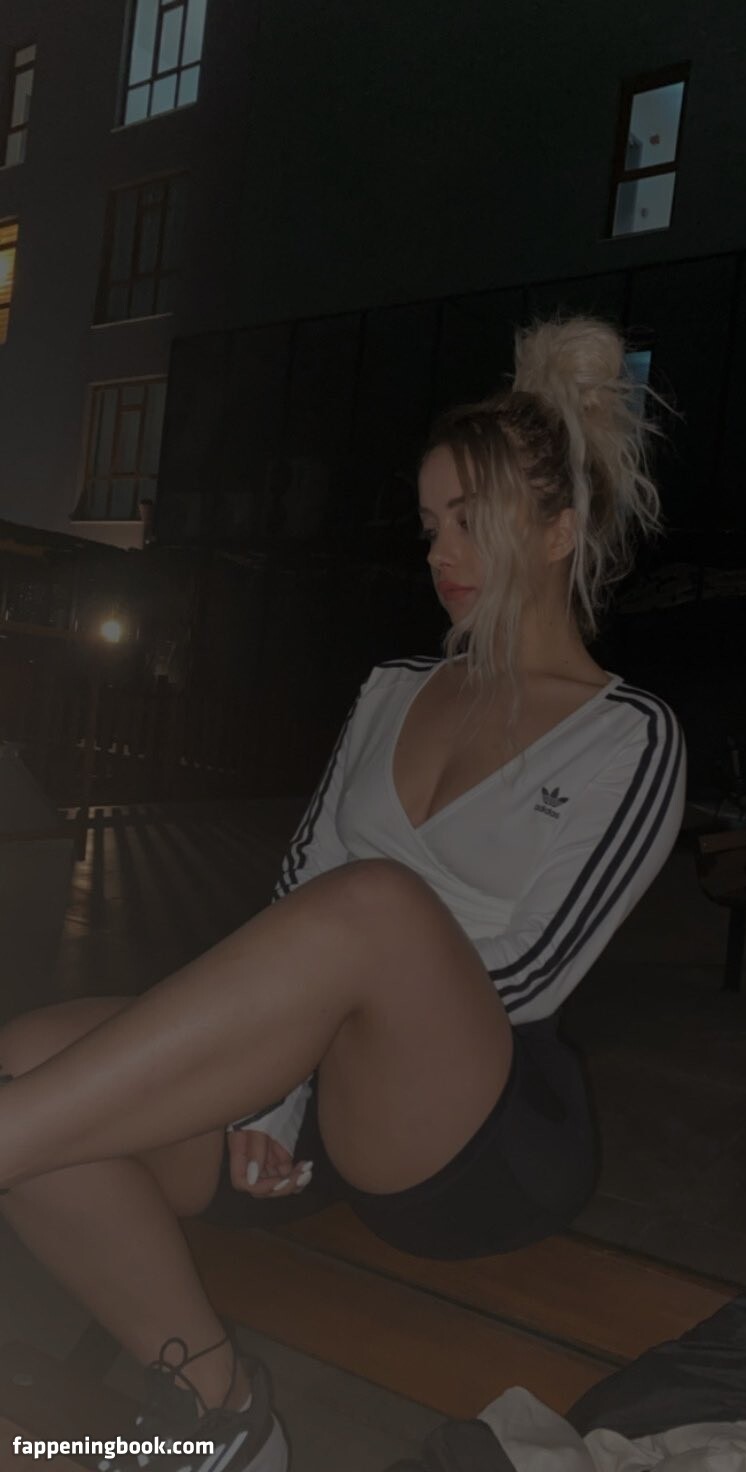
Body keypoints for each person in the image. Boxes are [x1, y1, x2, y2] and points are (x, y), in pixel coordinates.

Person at [0, 316, 686, 1472]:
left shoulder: (628, 734)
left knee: (376, 904)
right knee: (29, 1053)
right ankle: (223, 1413)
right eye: (429, 525)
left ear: (559, 529)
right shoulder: (393, 688)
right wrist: (266, 1090)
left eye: (470, 519)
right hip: (312, 1104)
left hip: (479, 1128)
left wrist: (288, 1064)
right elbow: (293, 895)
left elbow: (530, 972)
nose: (441, 551)